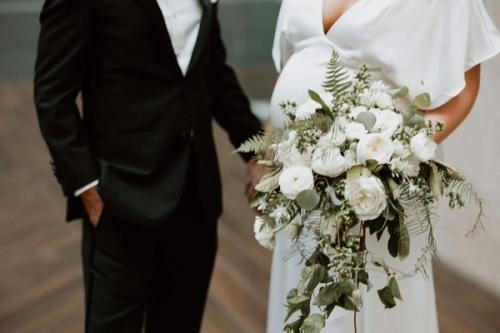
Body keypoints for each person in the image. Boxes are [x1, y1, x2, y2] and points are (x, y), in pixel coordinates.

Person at [267, 0, 500, 332]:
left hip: (375, 193)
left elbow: (465, 82)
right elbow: (296, 63)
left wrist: (398, 153)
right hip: (301, 183)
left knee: (371, 303)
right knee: (303, 298)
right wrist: (269, 156)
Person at [33, 0, 262, 332]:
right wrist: (87, 188)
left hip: (196, 197)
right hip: (121, 198)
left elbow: (214, 76)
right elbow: (52, 96)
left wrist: (257, 153)